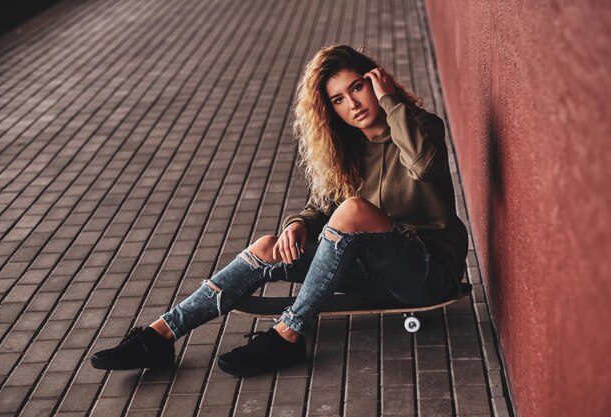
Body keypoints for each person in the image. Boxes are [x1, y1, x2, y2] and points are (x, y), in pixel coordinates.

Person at [90, 44, 468, 377]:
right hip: (374, 272)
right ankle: (161, 335)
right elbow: (320, 206)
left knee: (353, 209)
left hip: (428, 272)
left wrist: (391, 103)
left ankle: (289, 333)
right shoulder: (350, 150)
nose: (352, 104)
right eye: (338, 99)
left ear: (376, 81)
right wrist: (298, 225)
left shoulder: (419, 125)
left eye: (357, 87)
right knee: (268, 245)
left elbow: (425, 166)